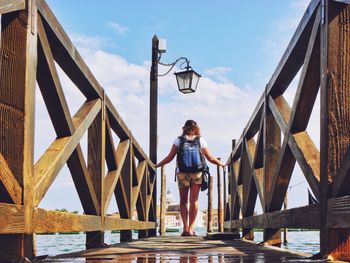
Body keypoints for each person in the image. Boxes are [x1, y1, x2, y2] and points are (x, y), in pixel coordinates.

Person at [155, 120, 225, 236]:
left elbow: (170, 157)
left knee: (183, 201)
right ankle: (191, 229)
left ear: (184, 128)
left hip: (182, 173)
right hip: (197, 173)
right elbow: (210, 158)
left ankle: (185, 229)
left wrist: (157, 165)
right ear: (196, 128)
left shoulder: (178, 140)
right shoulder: (200, 140)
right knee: (194, 201)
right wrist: (222, 164)